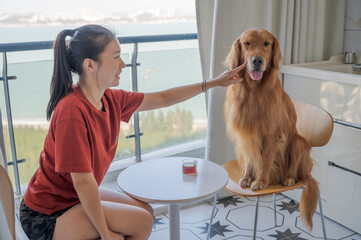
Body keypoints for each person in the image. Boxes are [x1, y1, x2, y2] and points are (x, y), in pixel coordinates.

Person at [19, 24, 245, 240]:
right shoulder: (71, 112)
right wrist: (105, 232)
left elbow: (162, 98)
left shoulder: (110, 99)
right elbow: (84, 183)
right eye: (116, 57)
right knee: (141, 222)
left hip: (72, 197)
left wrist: (214, 83)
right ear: (90, 65)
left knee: (144, 210)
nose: (123, 64)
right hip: (46, 215)